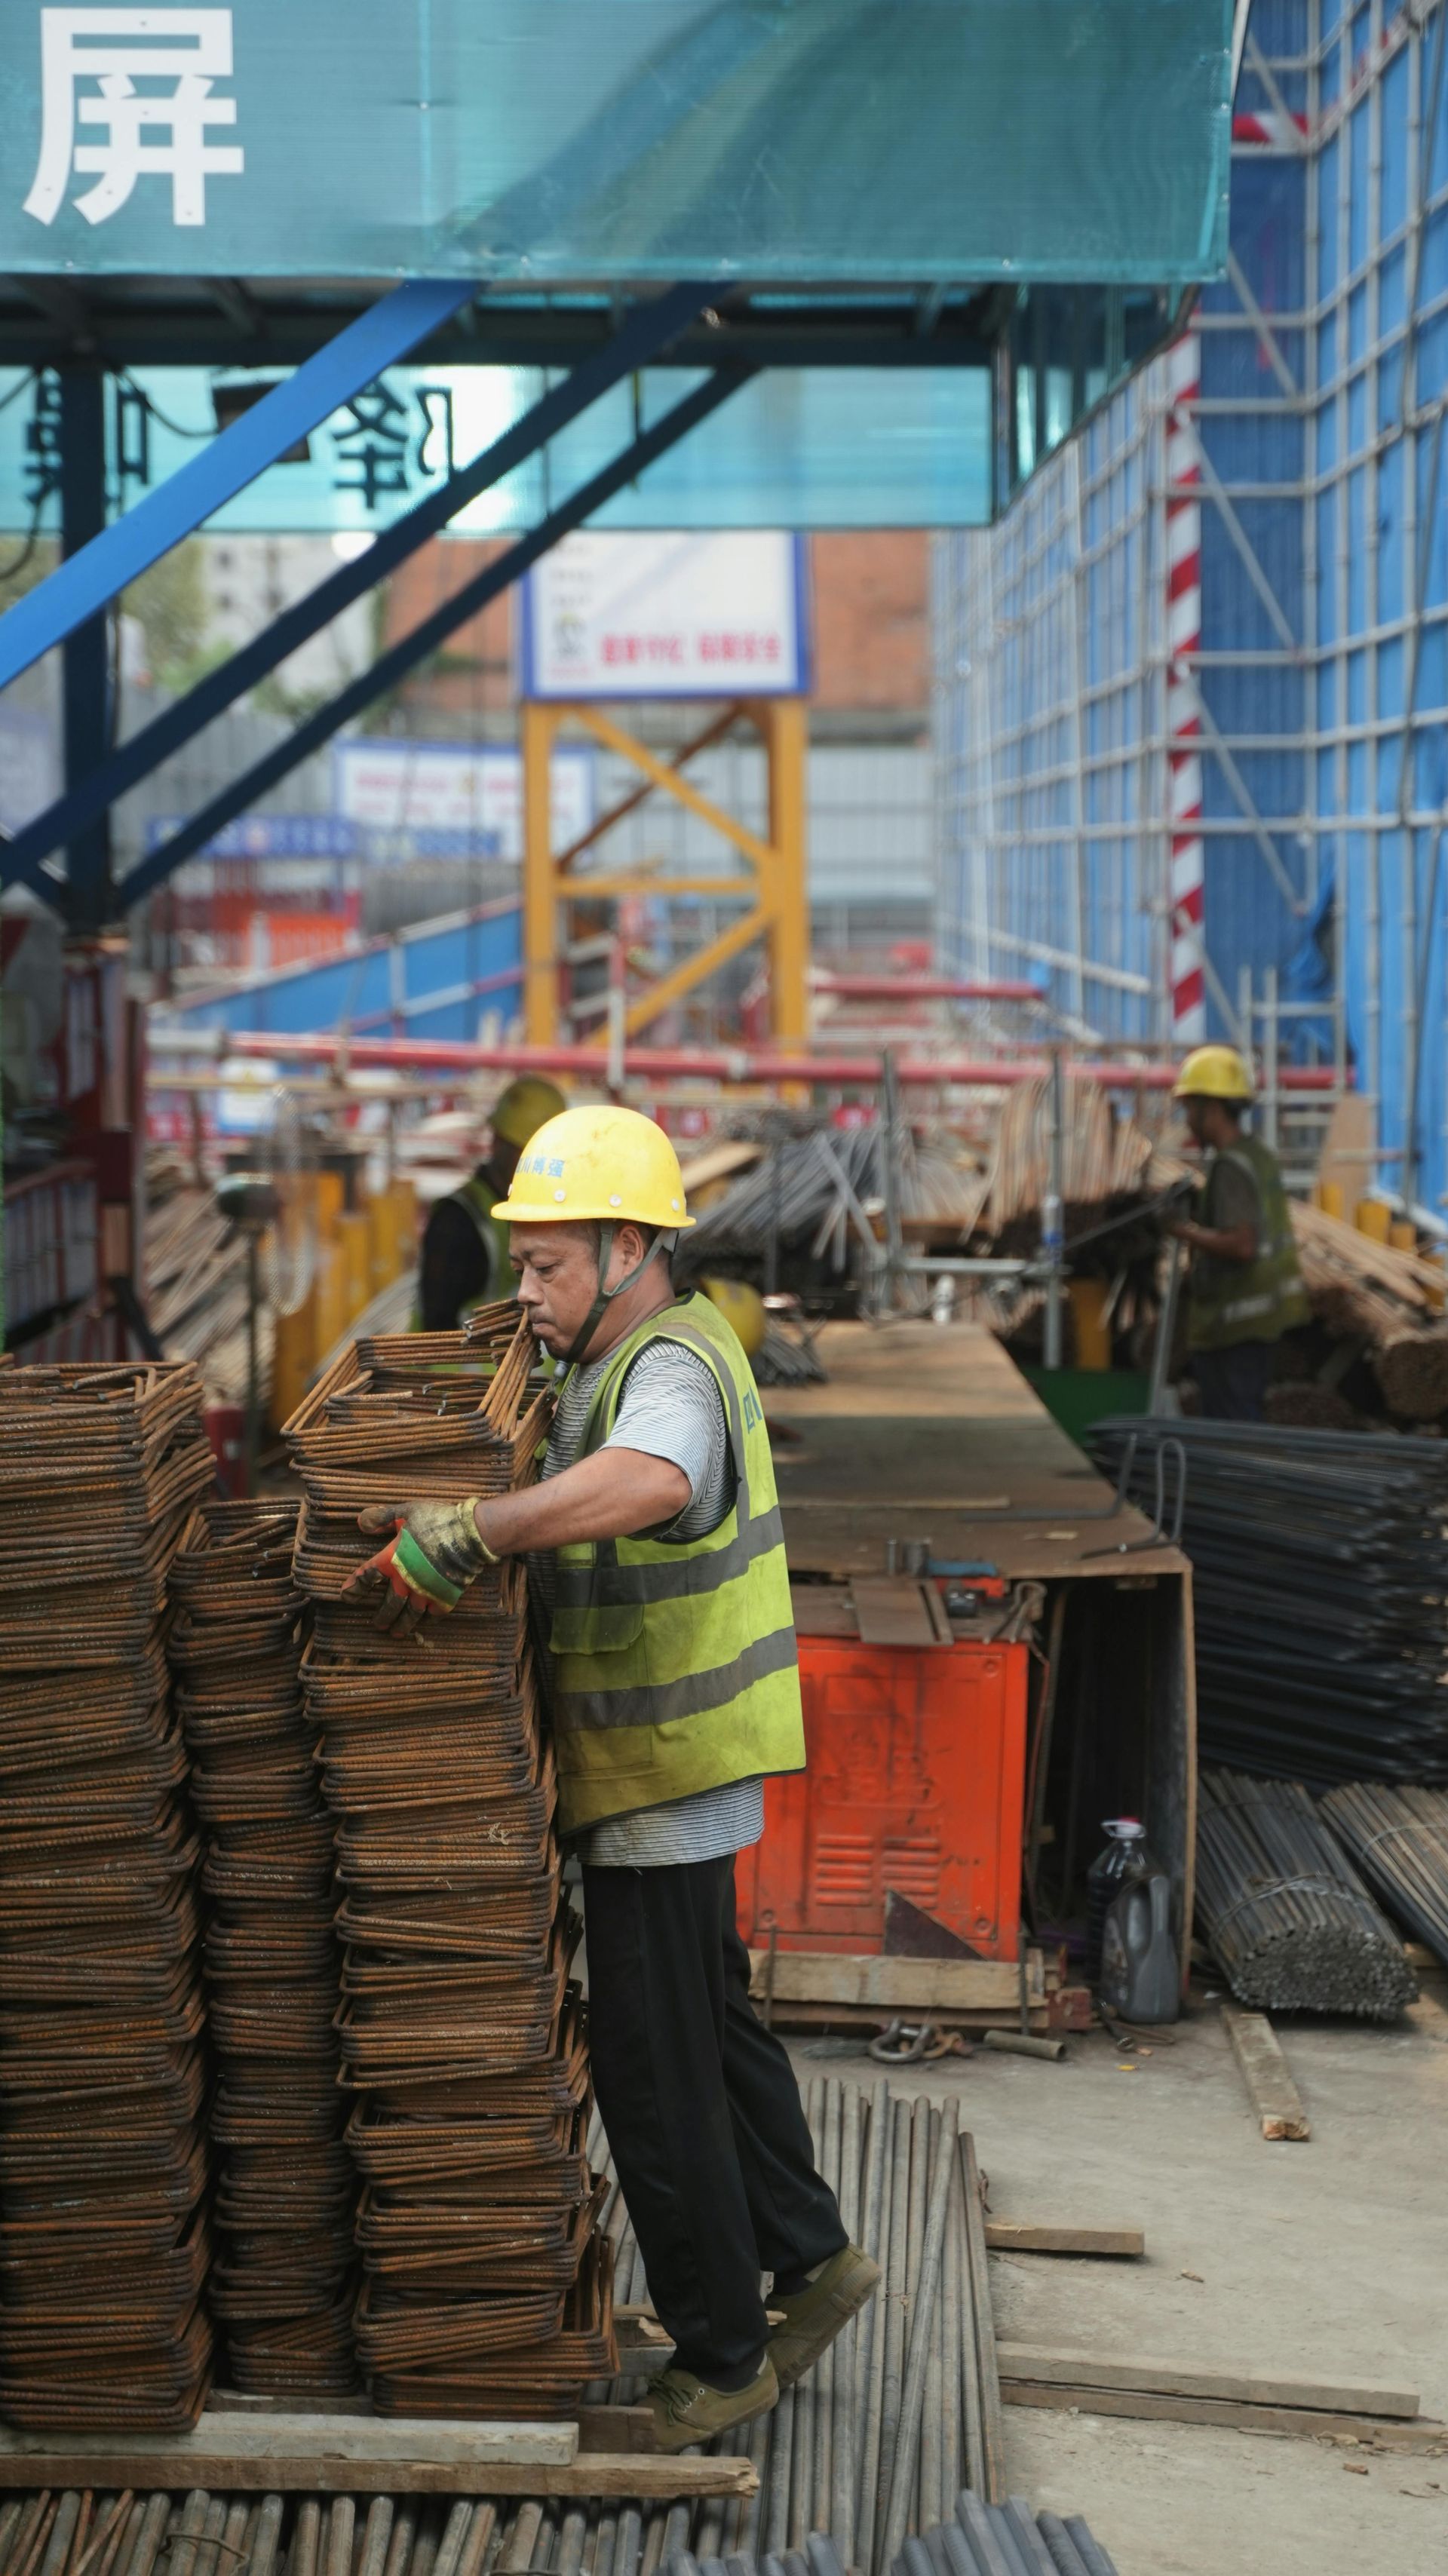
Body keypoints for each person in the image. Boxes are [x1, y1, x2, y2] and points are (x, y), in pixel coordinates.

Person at [347, 1104, 879, 2452]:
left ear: (631, 1246)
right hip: (676, 1759)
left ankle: (721, 2356)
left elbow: (650, 1479)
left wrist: (468, 1533)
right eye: (523, 1263)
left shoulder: (672, 1368)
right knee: (714, 2015)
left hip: (659, 1770)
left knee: (653, 2069)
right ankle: (814, 2258)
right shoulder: (617, 1346)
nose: (526, 1289)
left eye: (549, 1265)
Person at [1168, 1044, 1308, 1421]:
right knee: (1242, 1428)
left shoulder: (1230, 1167)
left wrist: (1183, 1231)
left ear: (1208, 1107)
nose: (1187, 1119)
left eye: (1189, 1108)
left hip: (1234, 1327)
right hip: (1259, 1320)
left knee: (1234, 1435)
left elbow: (1242, 1244)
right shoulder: (1256, 1154)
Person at [416, 1075, 566, 1328]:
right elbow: (437, 1321)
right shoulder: (458, 1221)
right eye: (528, 1154)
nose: (539, 1167)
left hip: (514, 1365)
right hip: (455, 1365)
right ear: (498, 1143)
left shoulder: (538, 1211)